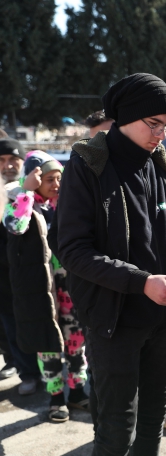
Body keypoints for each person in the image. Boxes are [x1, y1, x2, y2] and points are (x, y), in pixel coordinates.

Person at [56, 73, 166, 456]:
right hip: (113, 321)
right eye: (154, 125)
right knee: (117, 431)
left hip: (164, 321)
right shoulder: (89, 166)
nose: (161, 136)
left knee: (153, 423)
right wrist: (142, 281)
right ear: (125, 116)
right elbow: (73, 249)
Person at [4, 151, 89, 422]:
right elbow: (15, 226)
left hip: (71, 288)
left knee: (76, 344)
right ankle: (55, 399)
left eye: (58, 178)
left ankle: (76, 393)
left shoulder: (66, 205)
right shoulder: (20, 202)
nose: (56, 184)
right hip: (42, 290)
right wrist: (25, 193)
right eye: (49, 179)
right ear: (35, 180)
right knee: (49, 346)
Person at [0, 138, 42, 394]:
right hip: (3, 276)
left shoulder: (29, 190)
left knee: (35, 323)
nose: (7, 166)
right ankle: (26, 372)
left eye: (13, 160)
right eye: (2, 161)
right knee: (11, 326)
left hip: (29, 271)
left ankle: (50, 378)